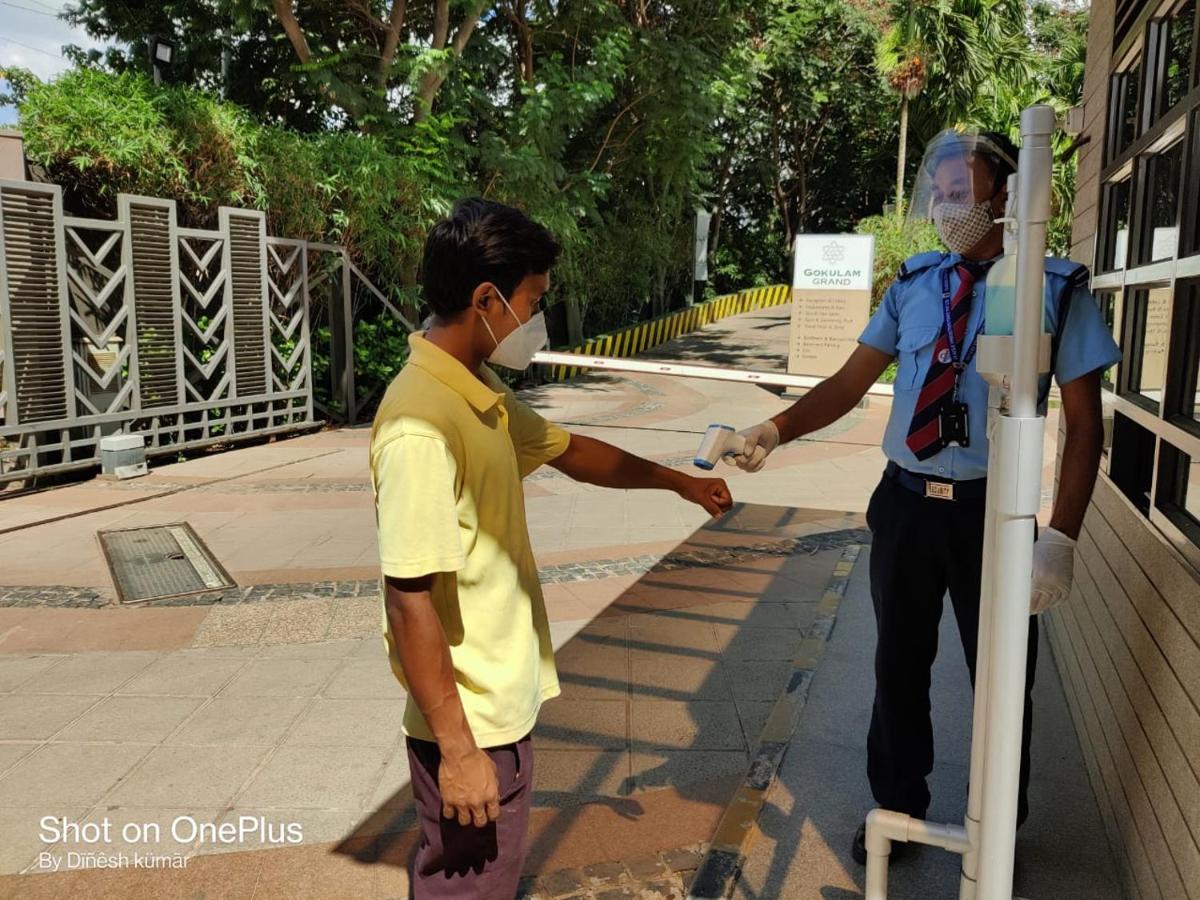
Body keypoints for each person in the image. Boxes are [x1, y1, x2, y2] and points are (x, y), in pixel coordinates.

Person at [726, 131, 1120, 864]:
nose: (945, 206)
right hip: (905, 503)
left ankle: (998, 825)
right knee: (898, 666)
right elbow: (849, 384)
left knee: (1004, 674)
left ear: (1008, 198)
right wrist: (774, 429)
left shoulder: (1054, 289)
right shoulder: (914, 284)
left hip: (991, 518)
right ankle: (899, 807)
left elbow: (1087, 428)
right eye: (937, 191)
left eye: (960, 191)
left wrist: (1059, 536)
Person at [370, 198, 734, 898]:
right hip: (470, 721)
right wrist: (457, 750)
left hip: (493, 713)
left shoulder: (476, 391)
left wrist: (677, 485)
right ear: (485, 299)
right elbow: (408, 599)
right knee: (467, 887)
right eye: (531, 301)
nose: (535, 321)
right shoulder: (421, 424)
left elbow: (571, 452)